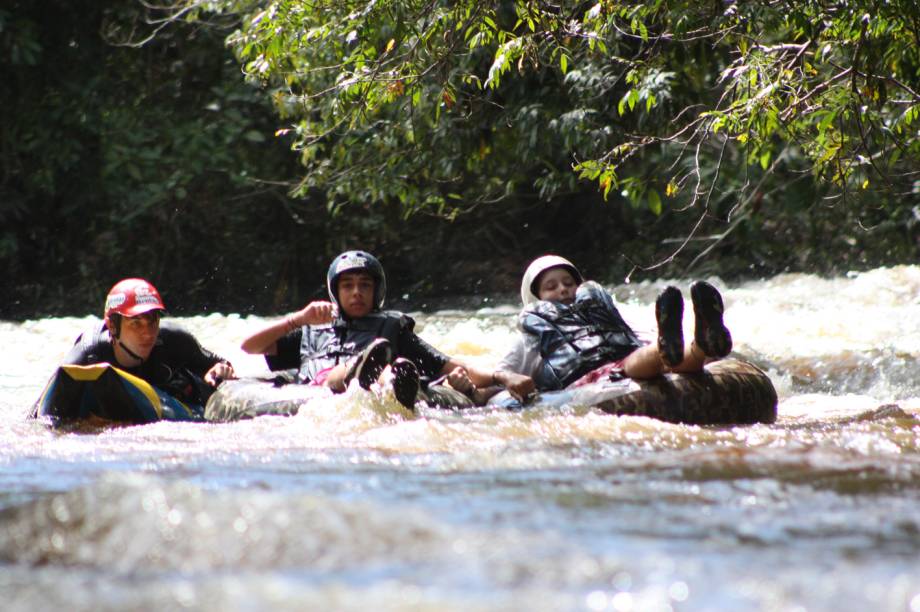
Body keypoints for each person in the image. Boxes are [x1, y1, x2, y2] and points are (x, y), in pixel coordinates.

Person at [240, 250, 494, 409]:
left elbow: (450, 365)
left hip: (376, 383)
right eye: (348, 286)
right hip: (319, 386)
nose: (357, 293)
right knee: (348, 372)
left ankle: (393, 380)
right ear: (336, 292)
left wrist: (501, 378)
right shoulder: (309, 330)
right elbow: (249, 346)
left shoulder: (394, 329)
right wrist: (297, 319)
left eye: (365, 285)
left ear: (377, 291)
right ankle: (361, 368)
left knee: (389, 369)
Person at [484, 254, 733, 403]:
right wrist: (503, 382)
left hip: (638, 358)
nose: (562, 289)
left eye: (568, 283)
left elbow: (641, 336)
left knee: (663, 358)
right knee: (637, 362)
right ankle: (677, 349)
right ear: (536, 298)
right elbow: (503, 371)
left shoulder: (605, 310)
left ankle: (702, 346)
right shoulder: (534, 331)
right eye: (551, 287)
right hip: (591, 378)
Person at [58, 278, 235, 405]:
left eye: (152, 321)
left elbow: (219, 364)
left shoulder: (173, 339)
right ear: (112, 326)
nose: (148, 333)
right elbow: (41, 411)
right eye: (136, 323)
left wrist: (220, 370)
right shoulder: (88, 353)